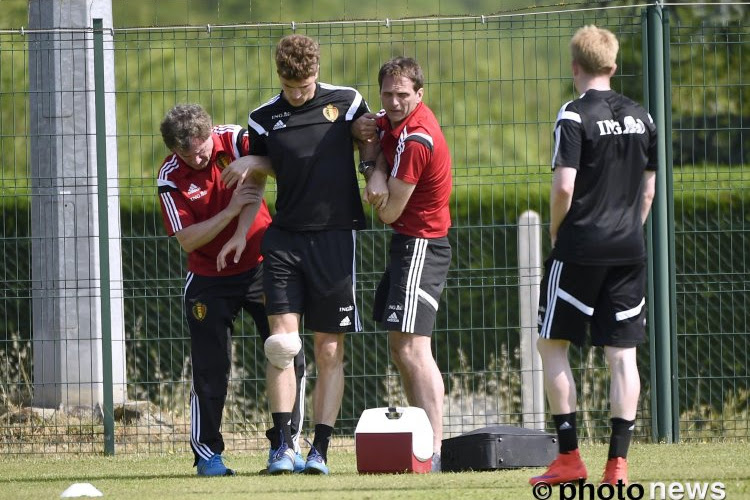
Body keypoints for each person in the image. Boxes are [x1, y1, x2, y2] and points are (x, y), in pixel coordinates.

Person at [217, 34, 385, 475]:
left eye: (306, 85)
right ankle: (282, 447)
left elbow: (369, 137)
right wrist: (240, 230)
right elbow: (261, 178)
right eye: (291, 87)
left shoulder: (346, 102)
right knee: (281, 346)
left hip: (333, 238)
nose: (299, 94)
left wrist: (370, 169)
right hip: (284, 240)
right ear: (280, 77)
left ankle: (321, 450)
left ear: (316, 72)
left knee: (329, 349)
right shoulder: (262, 118)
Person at [529, 25, 657, 486]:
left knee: (552, 345)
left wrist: (558, 232)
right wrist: (628, 232)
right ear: (613, 65)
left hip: (580, 248)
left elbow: (564, 186)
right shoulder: (643, 117)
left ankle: (569, 459)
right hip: (629, 249)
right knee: (622, 357)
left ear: (574, 67)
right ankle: (617, 467)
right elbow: (647, 190)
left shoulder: (573, 114)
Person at [157, 104, 307, 476]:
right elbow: (188, 240)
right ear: (174, 151)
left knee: (286, 351)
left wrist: (241, 231)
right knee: (211, 369)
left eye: (202, 147)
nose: (199, 156)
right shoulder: (170, 176)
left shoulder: (234, 139)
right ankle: (208, 453)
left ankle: (285, 444)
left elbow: (272, 169)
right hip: (208, 276)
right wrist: (228, 215)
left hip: (261, 265)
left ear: (211, 133)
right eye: (187, 153)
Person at [366, 56, 453, 473]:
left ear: (420, 94)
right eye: (388, 93)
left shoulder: (417, 138)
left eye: (403, 94)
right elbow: (371, 131)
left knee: (414, 348)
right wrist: (376, 166)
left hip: (421, 244)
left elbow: (386, 211)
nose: (394, 102)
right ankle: (424, 439)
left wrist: (374, 176)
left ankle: (434, 449)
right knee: (401, 347)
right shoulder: (393, 122)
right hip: (408, 244)